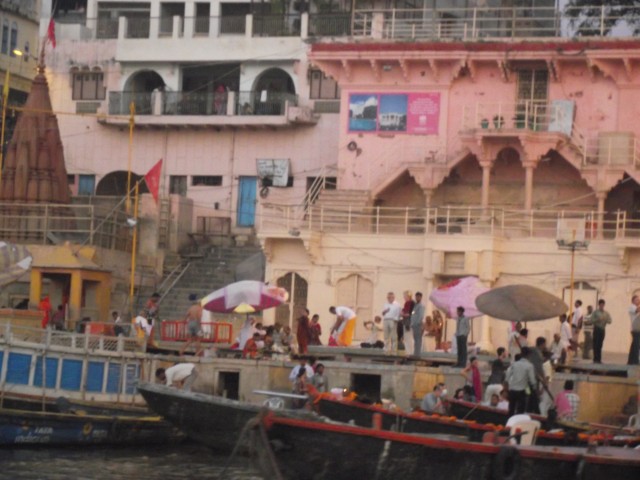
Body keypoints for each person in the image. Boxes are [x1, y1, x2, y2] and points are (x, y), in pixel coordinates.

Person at [506, 348, 536, 416]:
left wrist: (507, 385)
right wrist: (534, 388)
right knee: (520, 411)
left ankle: (509, 421)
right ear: (529, 355)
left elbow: (508, 375)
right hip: (522, 391)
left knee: (511, 410)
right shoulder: (529, 366)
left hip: (512, 390)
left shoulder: (514, 364)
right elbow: (532, 381)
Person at [590, 299, 612, 363]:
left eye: (603, 304)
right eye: (601, 304)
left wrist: (606, 320)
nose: (602, 306)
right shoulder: (595, 312)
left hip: (602, 329)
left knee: (600, 344)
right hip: (596, 329)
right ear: (599, 305)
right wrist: (597, 319)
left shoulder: (606, 313)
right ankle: (595, 359)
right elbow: (591, 320)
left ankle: (599, 359)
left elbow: (610, 321)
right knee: (595, 344)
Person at [410, 292, 426, 357]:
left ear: (421, 297)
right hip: (414, 324)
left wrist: (417, 323)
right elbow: (413, 314)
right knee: (415, 340)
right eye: (416, 297)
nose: (417, 298)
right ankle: (415, 353)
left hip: (418, 324)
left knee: (418, 340)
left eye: (418, 297)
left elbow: (421, 316)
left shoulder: (421, 306)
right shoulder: (416, 305)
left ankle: (417, 354)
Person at [627, 295, 640, 365]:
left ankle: (630, 361)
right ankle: (635, 361)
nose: (638, 301)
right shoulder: (632, 307)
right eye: (637, 300)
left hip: (638, 329)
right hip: (635, 329)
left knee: (634, 345)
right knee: (636, 345)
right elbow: (637, 310)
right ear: (633, 301)